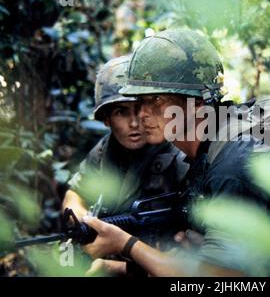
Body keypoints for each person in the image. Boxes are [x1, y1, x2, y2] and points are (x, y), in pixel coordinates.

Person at [81, 29, 270, 277]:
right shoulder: (204, 153)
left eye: (156, 100)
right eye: (141, 101)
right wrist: (117, 267)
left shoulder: (232, 163)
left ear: (197, 105)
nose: (142, 114)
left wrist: (126, 244)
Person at [63, 55, 189, 276]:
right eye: (121, 112)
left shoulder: (180, 150)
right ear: (106, 119)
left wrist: (116, 267)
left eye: (140, 107)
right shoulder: (107, 150)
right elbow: (74, 194)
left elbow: (197, 263)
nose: (135, 122)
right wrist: (86, 223)